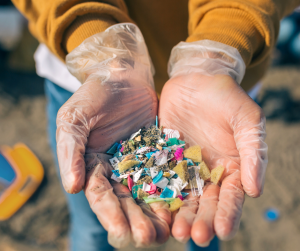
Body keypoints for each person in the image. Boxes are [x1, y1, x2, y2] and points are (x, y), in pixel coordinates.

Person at [11, 0, 300, 250]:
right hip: (90, 77)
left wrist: (217, 54)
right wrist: (101, 55)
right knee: (93, 226)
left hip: (221, 84)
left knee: (206, 221)